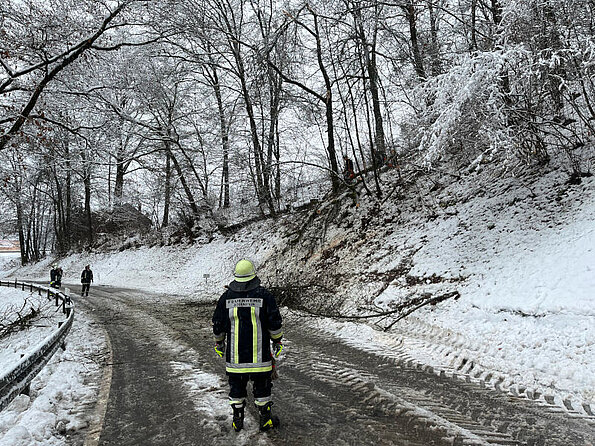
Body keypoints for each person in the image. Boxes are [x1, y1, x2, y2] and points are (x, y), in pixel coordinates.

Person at [212, 259, 283, 433]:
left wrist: (219, 343)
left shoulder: (226, 297)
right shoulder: (264, 295)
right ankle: (265, 419)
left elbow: (218, 324)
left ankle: (237, 420)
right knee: (262, 386)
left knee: (236, 387)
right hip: (260, 357)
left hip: (236, 358)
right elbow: (274, 322)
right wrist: (277, 341)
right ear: (253, 275)